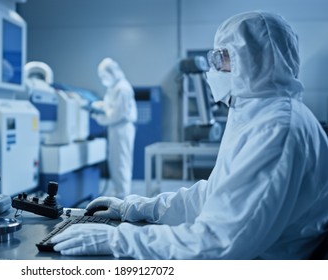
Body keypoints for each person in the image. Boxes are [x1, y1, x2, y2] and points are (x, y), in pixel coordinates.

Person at [51, 11, 328, 259]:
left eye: (223, 57)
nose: (214, 68)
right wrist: (138, 208)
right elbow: (215, 194)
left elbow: (218, 243)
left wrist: (117, 239)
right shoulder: (255, 111)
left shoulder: (276, 128)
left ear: (254, 60)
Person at [90, 57, 137, 198]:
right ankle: (118, 192)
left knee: (121, 163)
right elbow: (112, 107)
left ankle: (122, 196)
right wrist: (100, 106)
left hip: (121, 129)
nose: (103, 79)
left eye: (104, 76)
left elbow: (117, 114)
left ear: (112, 72)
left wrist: (99, 117)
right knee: (115, 162)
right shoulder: (114, 87)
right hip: (116, 129)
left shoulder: (122, 88)